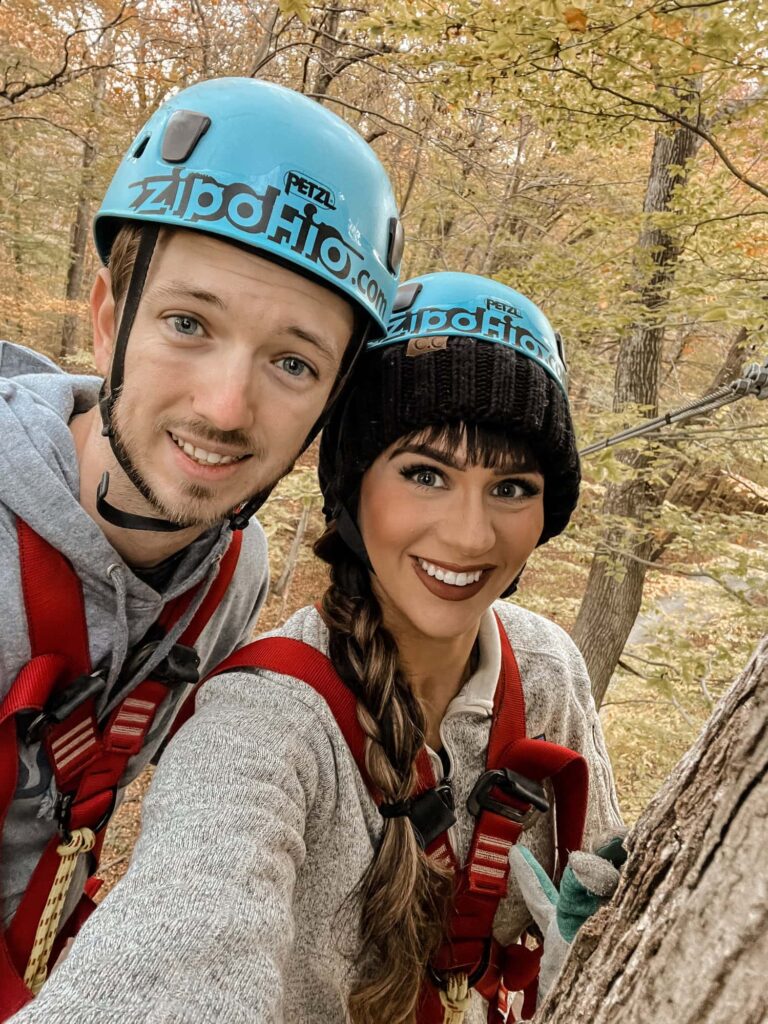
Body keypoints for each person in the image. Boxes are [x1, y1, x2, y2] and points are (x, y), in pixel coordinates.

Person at [9, 273, 623, 1024]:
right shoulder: (264, 721)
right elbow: (180, 955)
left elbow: (600, 866)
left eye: (513, 488)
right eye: (425, 474)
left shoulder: (547, 669)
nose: (470, 535)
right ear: (352, 487)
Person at [0, 76, 401, 1016]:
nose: (225, 409)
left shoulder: (230, 573)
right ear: (110, 318)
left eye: (292, 362)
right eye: (189, 324)